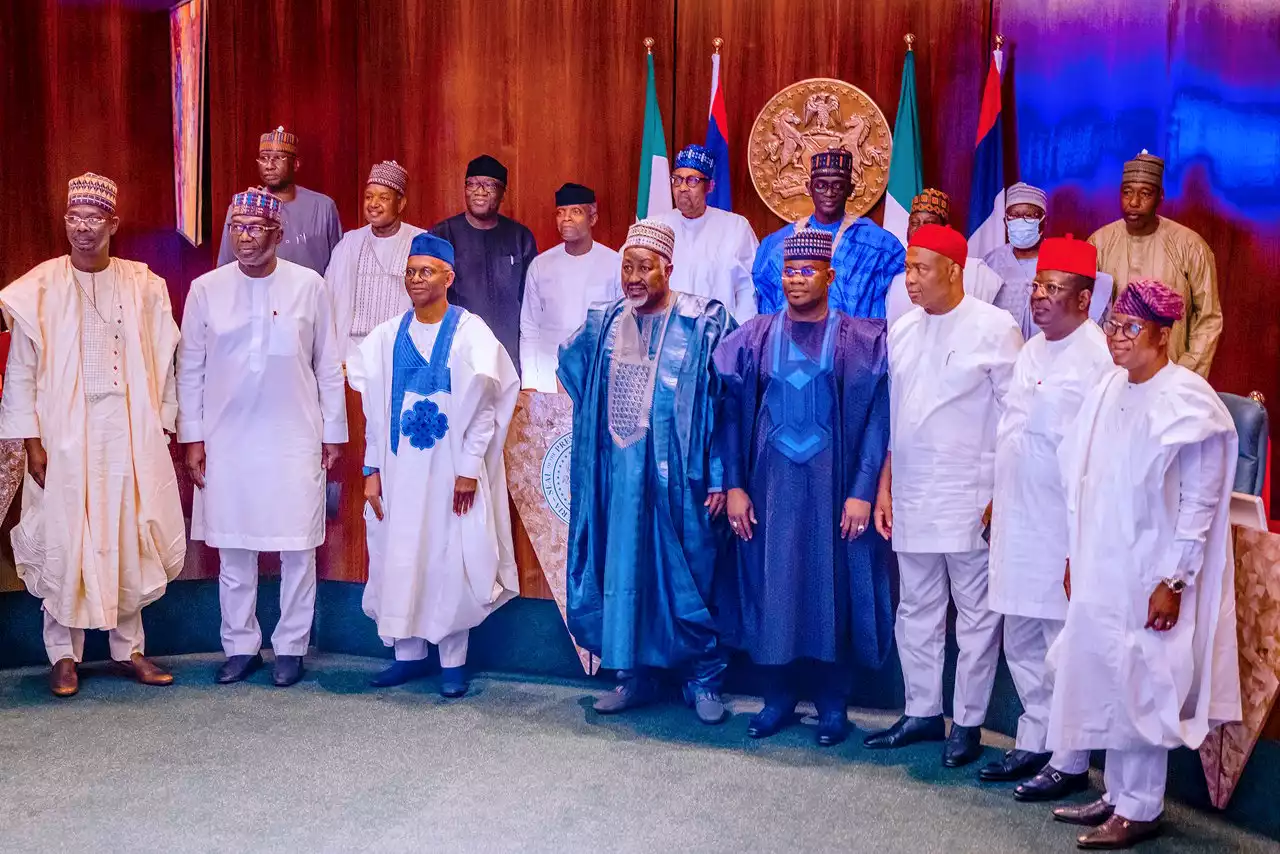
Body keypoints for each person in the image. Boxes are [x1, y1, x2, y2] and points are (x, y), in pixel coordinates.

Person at [1047, 279, 1239, 849]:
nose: (1117, 338)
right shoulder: (1110, 387)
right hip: (1101, 558)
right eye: (1113, 326)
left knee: (1143, 679)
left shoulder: (1188, 399)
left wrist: (1173, 581)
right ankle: (1116, 794)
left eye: (1130, 329)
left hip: (1152, 568)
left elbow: (1199, 503)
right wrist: (1072, 553)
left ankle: (1143, 806)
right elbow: (1084, 477)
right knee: (1107, 671)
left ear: (1163, 333)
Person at [0, 173, 185, 697]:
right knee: (64, 535)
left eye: (93, 219)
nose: (82, 229)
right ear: (65, 223)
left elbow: (164, 362)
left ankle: (130, 650)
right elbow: (19, 374)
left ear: (113, 224)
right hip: (62, 432)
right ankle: (62, 654)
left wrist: (163, 423)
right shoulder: (39, 287)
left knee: (127, 531)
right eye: (73, 218)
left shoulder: (143, 285)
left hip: (126, 429)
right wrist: (30, 441)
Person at [714, 228, 893, 747]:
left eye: (807, 271)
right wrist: (734, 487)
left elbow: (879, 421)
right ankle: (777, 700)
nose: (796, 280)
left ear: (829, 276)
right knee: (773, 589)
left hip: (834, 497)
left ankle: (833, 706)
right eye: (789, 271)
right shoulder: (752, 337)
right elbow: (727, 416)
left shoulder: (860, 341)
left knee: (828, 589)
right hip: (768, 496)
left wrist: (862, 490)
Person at [558, 219, 735, 725]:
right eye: (626, 267)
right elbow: (570, 366)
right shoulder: (604, 321)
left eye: (644, 268)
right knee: (624, 571)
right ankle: (633, 675)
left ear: (668, 268)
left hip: (683, 483)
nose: (633, 278)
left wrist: (720, 473)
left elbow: (730, 404)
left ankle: (703, 678)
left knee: (690, 574)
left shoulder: (704, 322)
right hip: (619, 479)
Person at [864, 224, 1022, 767]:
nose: (909, 280)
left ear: (954, 271)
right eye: (907, 269)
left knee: (975, 613)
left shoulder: (996, 327)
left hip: (971, 496)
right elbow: (897, 419)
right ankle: (922, 711)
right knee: (917, 608)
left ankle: (970, 723)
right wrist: (884, 485)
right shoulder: (904, 330)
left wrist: (1004, 495)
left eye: (920, 270)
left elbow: (1016, 422)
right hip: (911, 492)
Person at [178, 187, 347, 688]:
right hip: (227, 437)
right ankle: (240, 645)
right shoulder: (206, 289)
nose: (244, 237)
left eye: (254, 228)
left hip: (295, 434)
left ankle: (291, 646)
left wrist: (333, 431)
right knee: (233, 547)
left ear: (278, 234)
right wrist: (193, 437)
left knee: (297, 546)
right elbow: (190, 368)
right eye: (236, 228)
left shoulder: (309, 285)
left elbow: (327, 365)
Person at [349, 232, 520, 697]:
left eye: (426, 271)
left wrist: (468, 468)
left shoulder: (470, 332)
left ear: (449, 276)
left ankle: (452, 662)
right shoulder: (386, 336)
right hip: (400, 472)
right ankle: (407, 657)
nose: (416, 280)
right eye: (410, 272)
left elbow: (486, 408)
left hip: (449, 474)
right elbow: (373, 414)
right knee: (400, 553)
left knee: (448, 557)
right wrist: (370, 471)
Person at [979, 236, 1116, 796]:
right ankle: (1033, 741)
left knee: (1064, 645)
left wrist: (1078, 544)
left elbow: (1099, 459)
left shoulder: (1100, 360)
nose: (1039, 298)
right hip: (1018, 517)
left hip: (1063, 527)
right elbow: (1009, 432)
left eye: (1053, 290)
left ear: (1084, 300)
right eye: (1038, 286)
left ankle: (1070, 757)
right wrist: (994, 497)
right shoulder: (1032, 350)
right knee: (1022, 639)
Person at [1089, 151, 1221, 378]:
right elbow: (1085, 314)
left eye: (1145, 194)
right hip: (1110, 374)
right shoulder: (1098, 244)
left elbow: (1208, 318)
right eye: (1127, 192)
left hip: (1170, 373)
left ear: (1160, 197)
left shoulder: (1190, 246)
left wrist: (1184, 373)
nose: (1133, 202)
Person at [753, 149, 904, 318]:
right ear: (809, 188)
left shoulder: (879, 244)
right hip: (788, 341)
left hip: (857, 341)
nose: (830, 193)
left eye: (838, 186)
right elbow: (765, 311)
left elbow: (901, 302)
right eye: (821, 185)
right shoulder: (775, 244)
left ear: (851, 189)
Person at [431, 154, 537, 375]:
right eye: (472, 184)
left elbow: (532, 305)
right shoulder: (442, 235)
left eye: (489, 184)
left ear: (502, 193)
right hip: (457, 358)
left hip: (508, 359)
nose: (480, 191)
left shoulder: (520, 238)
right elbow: (427, 301)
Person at [518, 183, 621, 391]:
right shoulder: (541, 265)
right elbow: (529, 328)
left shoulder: (615, 263)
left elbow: (621, 329)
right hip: (547, 375)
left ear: (592, 218)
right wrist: (530, 383)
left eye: (576, 212)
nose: (566, 218)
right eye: (560, 212)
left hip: (596, 376)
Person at [324, 160, 425, 365]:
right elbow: (327, 297)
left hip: (400, 353)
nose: (373, 204)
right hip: (352, 354)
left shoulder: (420, 242)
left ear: (401, 203)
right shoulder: (349, 242)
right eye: (369, 197)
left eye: (383, 198)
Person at [983, 183, 1111, 338]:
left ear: (1044, 221)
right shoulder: (991, 262)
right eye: (1014, 215)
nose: (1020, 221)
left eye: (1030, 215)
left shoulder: (1061, 258)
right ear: (1005, 222)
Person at [216, 127, 342, 275]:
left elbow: (339, 267)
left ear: (295, 164)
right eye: (263, 158)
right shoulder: (242, 206)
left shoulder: (323, 207)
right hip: (258, 296)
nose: (269, 166)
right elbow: (225, 268)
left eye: (278, 158)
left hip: (311, 296)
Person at [656, 144, 758, 322]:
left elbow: (747, 290)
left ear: (710, 186)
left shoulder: (736, 227)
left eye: (692, 180)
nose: (682, 188)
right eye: (677, 180)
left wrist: (738, 338)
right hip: (665, 337)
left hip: (720, 337)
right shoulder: (656, 226)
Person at [884, 188, 1003, 327]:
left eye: (929, 223)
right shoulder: (897, 281)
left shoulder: (977, 272)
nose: (921, 229)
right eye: (915, 223)